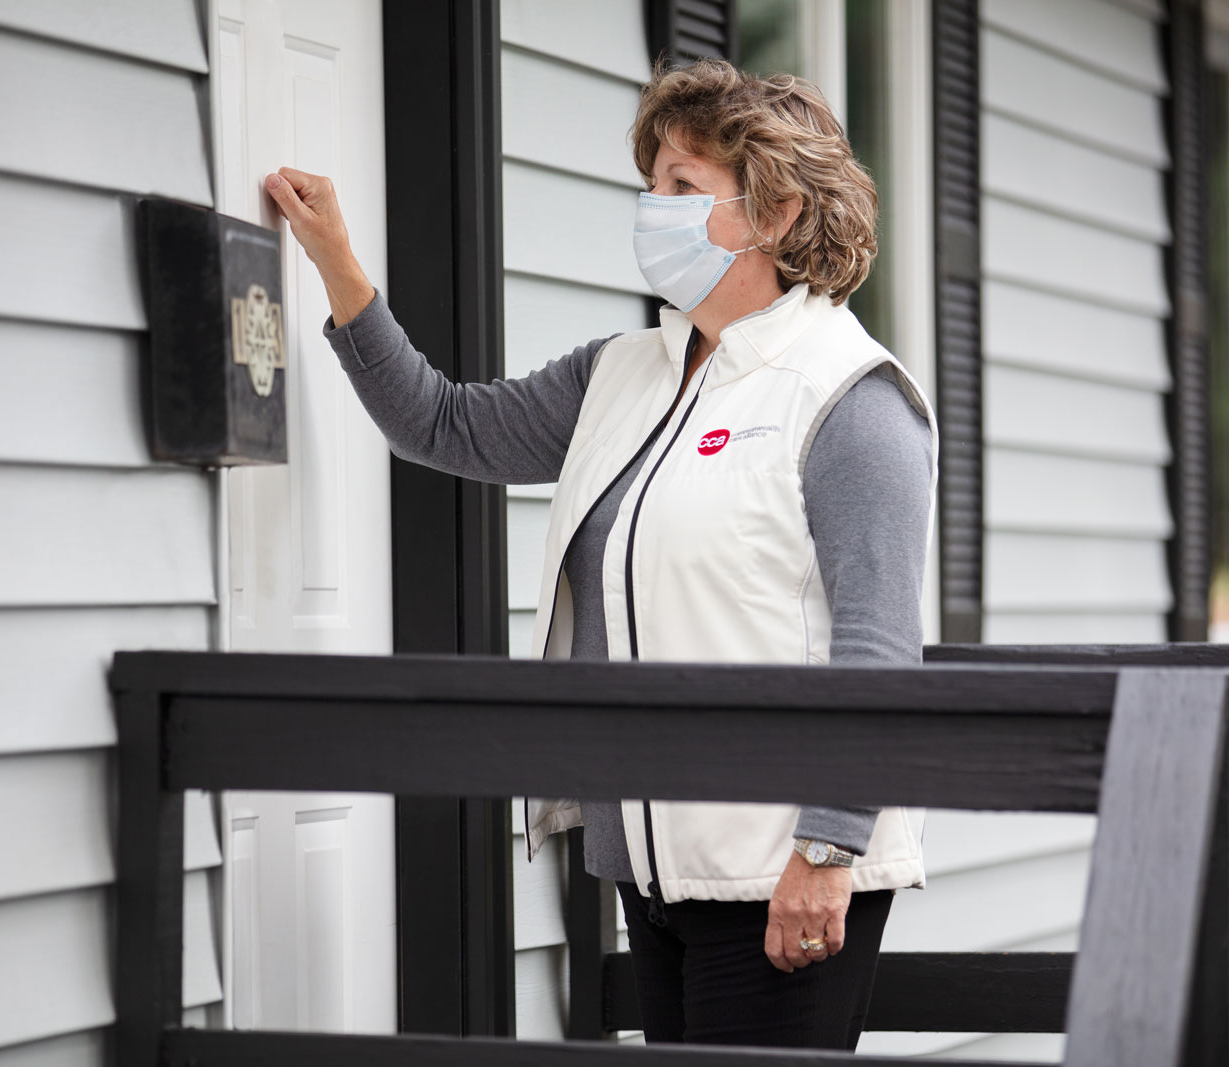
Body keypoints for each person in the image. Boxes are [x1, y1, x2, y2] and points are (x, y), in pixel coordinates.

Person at [265, 57, 938, 1050]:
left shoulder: (848, 394)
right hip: (653, 871)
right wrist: (335, 262)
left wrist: (828, 848)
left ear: (778, 212)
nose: (651, 206)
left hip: (777, 871)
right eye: (650, 180)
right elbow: (443, 426)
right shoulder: (625, 372)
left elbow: (876, 641)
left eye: (682, 186)